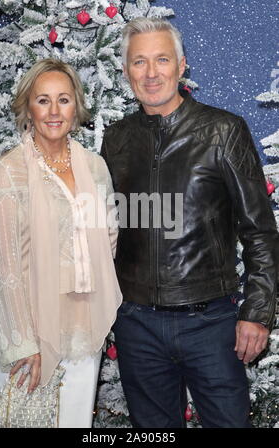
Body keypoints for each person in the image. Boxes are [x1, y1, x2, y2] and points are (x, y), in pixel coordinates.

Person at [101, 17, 278, 428]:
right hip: (136, 324)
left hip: (210, 324)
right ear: (126, 71)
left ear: (182, 67)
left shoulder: (223, 131)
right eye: (139, 62)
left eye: (161, 59)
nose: (150, 73)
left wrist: (257, 311)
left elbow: (260, 231)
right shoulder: (117, 140)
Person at [0, 58, 122, 428]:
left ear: (76, 105)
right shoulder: (8, 170)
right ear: (28, 107)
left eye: (63, 99)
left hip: (82, 329)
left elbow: (108, 238)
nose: (54, 111)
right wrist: (24, 343)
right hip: (28, 334)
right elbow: (5, 267)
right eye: (43, 100)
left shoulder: (94, 167)